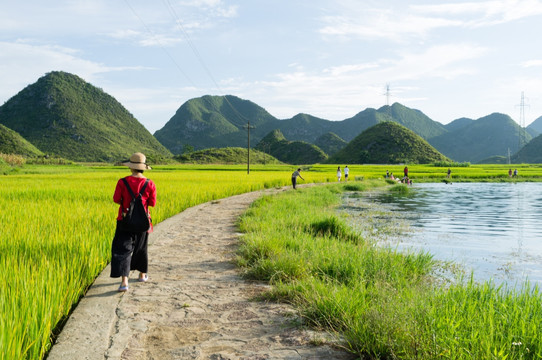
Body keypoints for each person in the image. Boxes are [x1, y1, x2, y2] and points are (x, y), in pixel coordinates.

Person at [111, 152, 157, 292]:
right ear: (143, 167)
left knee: (123, 249)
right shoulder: (150, 183)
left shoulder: (122, 182)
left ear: (131, 167)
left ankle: (124, 282)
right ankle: (142, 275)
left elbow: (116, 199)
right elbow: (152, 203)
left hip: (125, 221)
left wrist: (127, 203)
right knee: (141, 248)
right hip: (143, 222)